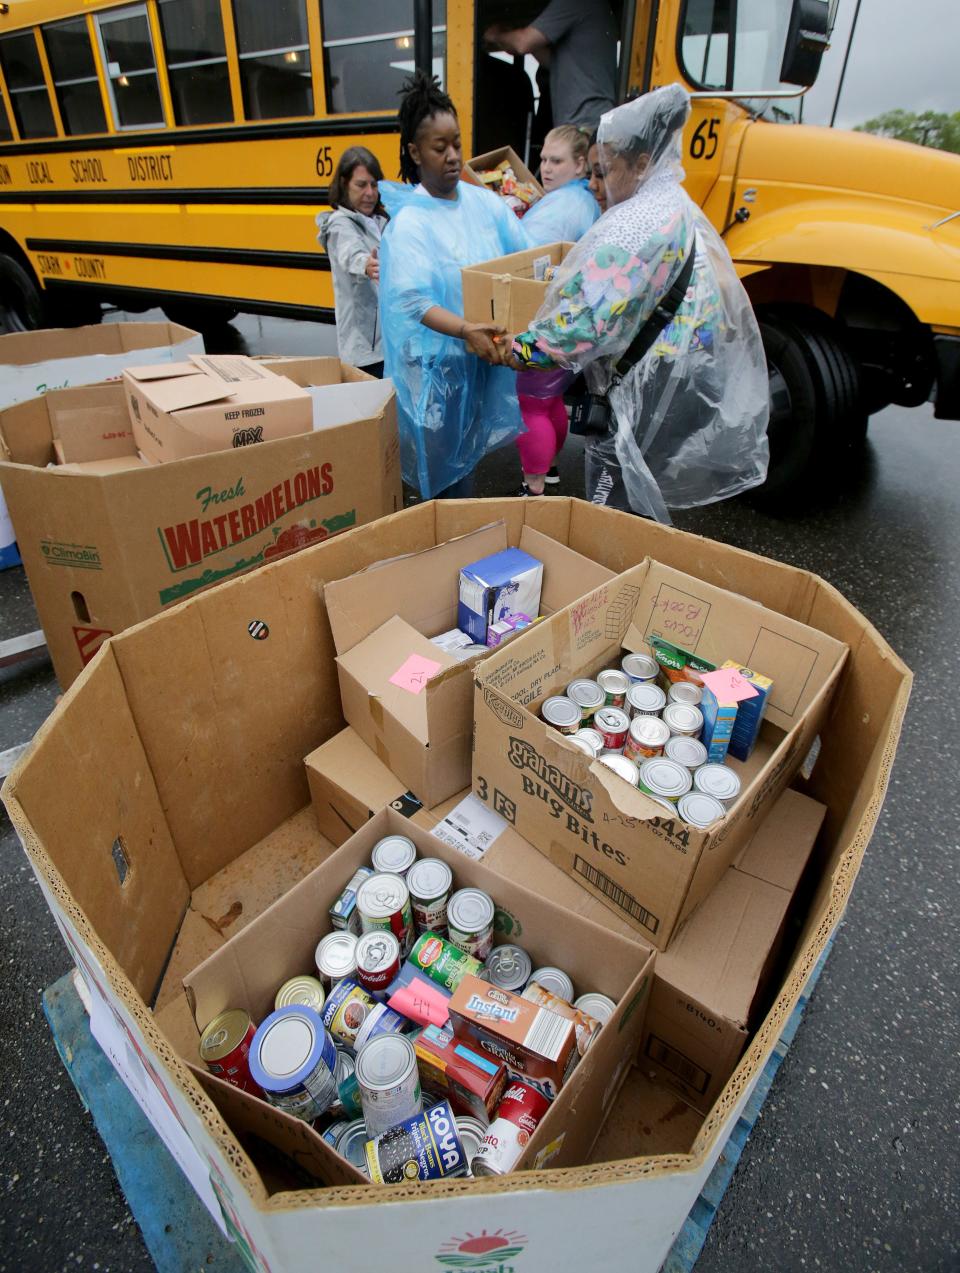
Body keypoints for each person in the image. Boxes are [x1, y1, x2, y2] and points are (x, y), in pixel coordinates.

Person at [508, 84, 770, 522]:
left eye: (605, 170)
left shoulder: (633, 224)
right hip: (673, 384)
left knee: (609, 518)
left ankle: (617, 585)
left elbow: (582, 326)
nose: (596, 184)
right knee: (640, 510)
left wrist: (516, 350)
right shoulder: (677, 205)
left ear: (643, 162)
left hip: (635, 400)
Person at [378, 72, 529, 500]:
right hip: (437, 369)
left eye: (457, 144)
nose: (452, 156)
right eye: (439, 147)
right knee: (443, 478)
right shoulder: (411, 221)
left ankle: (460, 544)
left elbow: (521, 257)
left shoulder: (483, 203)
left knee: (468, 461)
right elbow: (411, 300)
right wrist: (466, 330)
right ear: (414, 151)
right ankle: (447, 548)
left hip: (479, 358)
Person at [514, 125, 600, 495]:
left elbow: (519, 252)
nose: (545, 168)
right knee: (549, 401)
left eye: (557, 160)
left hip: (548, 322)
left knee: (530, 405)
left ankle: (532, 488)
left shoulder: (562, 206)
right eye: (543, 158)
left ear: (581, 164)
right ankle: (549, 471)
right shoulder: (585, 199)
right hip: (572, 324)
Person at [484, 0, 618, 132]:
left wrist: (496, 35)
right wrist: (515, 40)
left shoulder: (574, 2)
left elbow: (523, 43)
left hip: (584, 120)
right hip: (589, 119)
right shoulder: (593, 7)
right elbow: (553, 62)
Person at [316, 147, 389, 376]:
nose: (370, 192)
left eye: (374, 185)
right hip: (365, 351)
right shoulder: (340, 224)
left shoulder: (379, 220)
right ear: (344, 184)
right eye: (361, 185)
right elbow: (351, 254)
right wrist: (367, 265)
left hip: (389, 344)